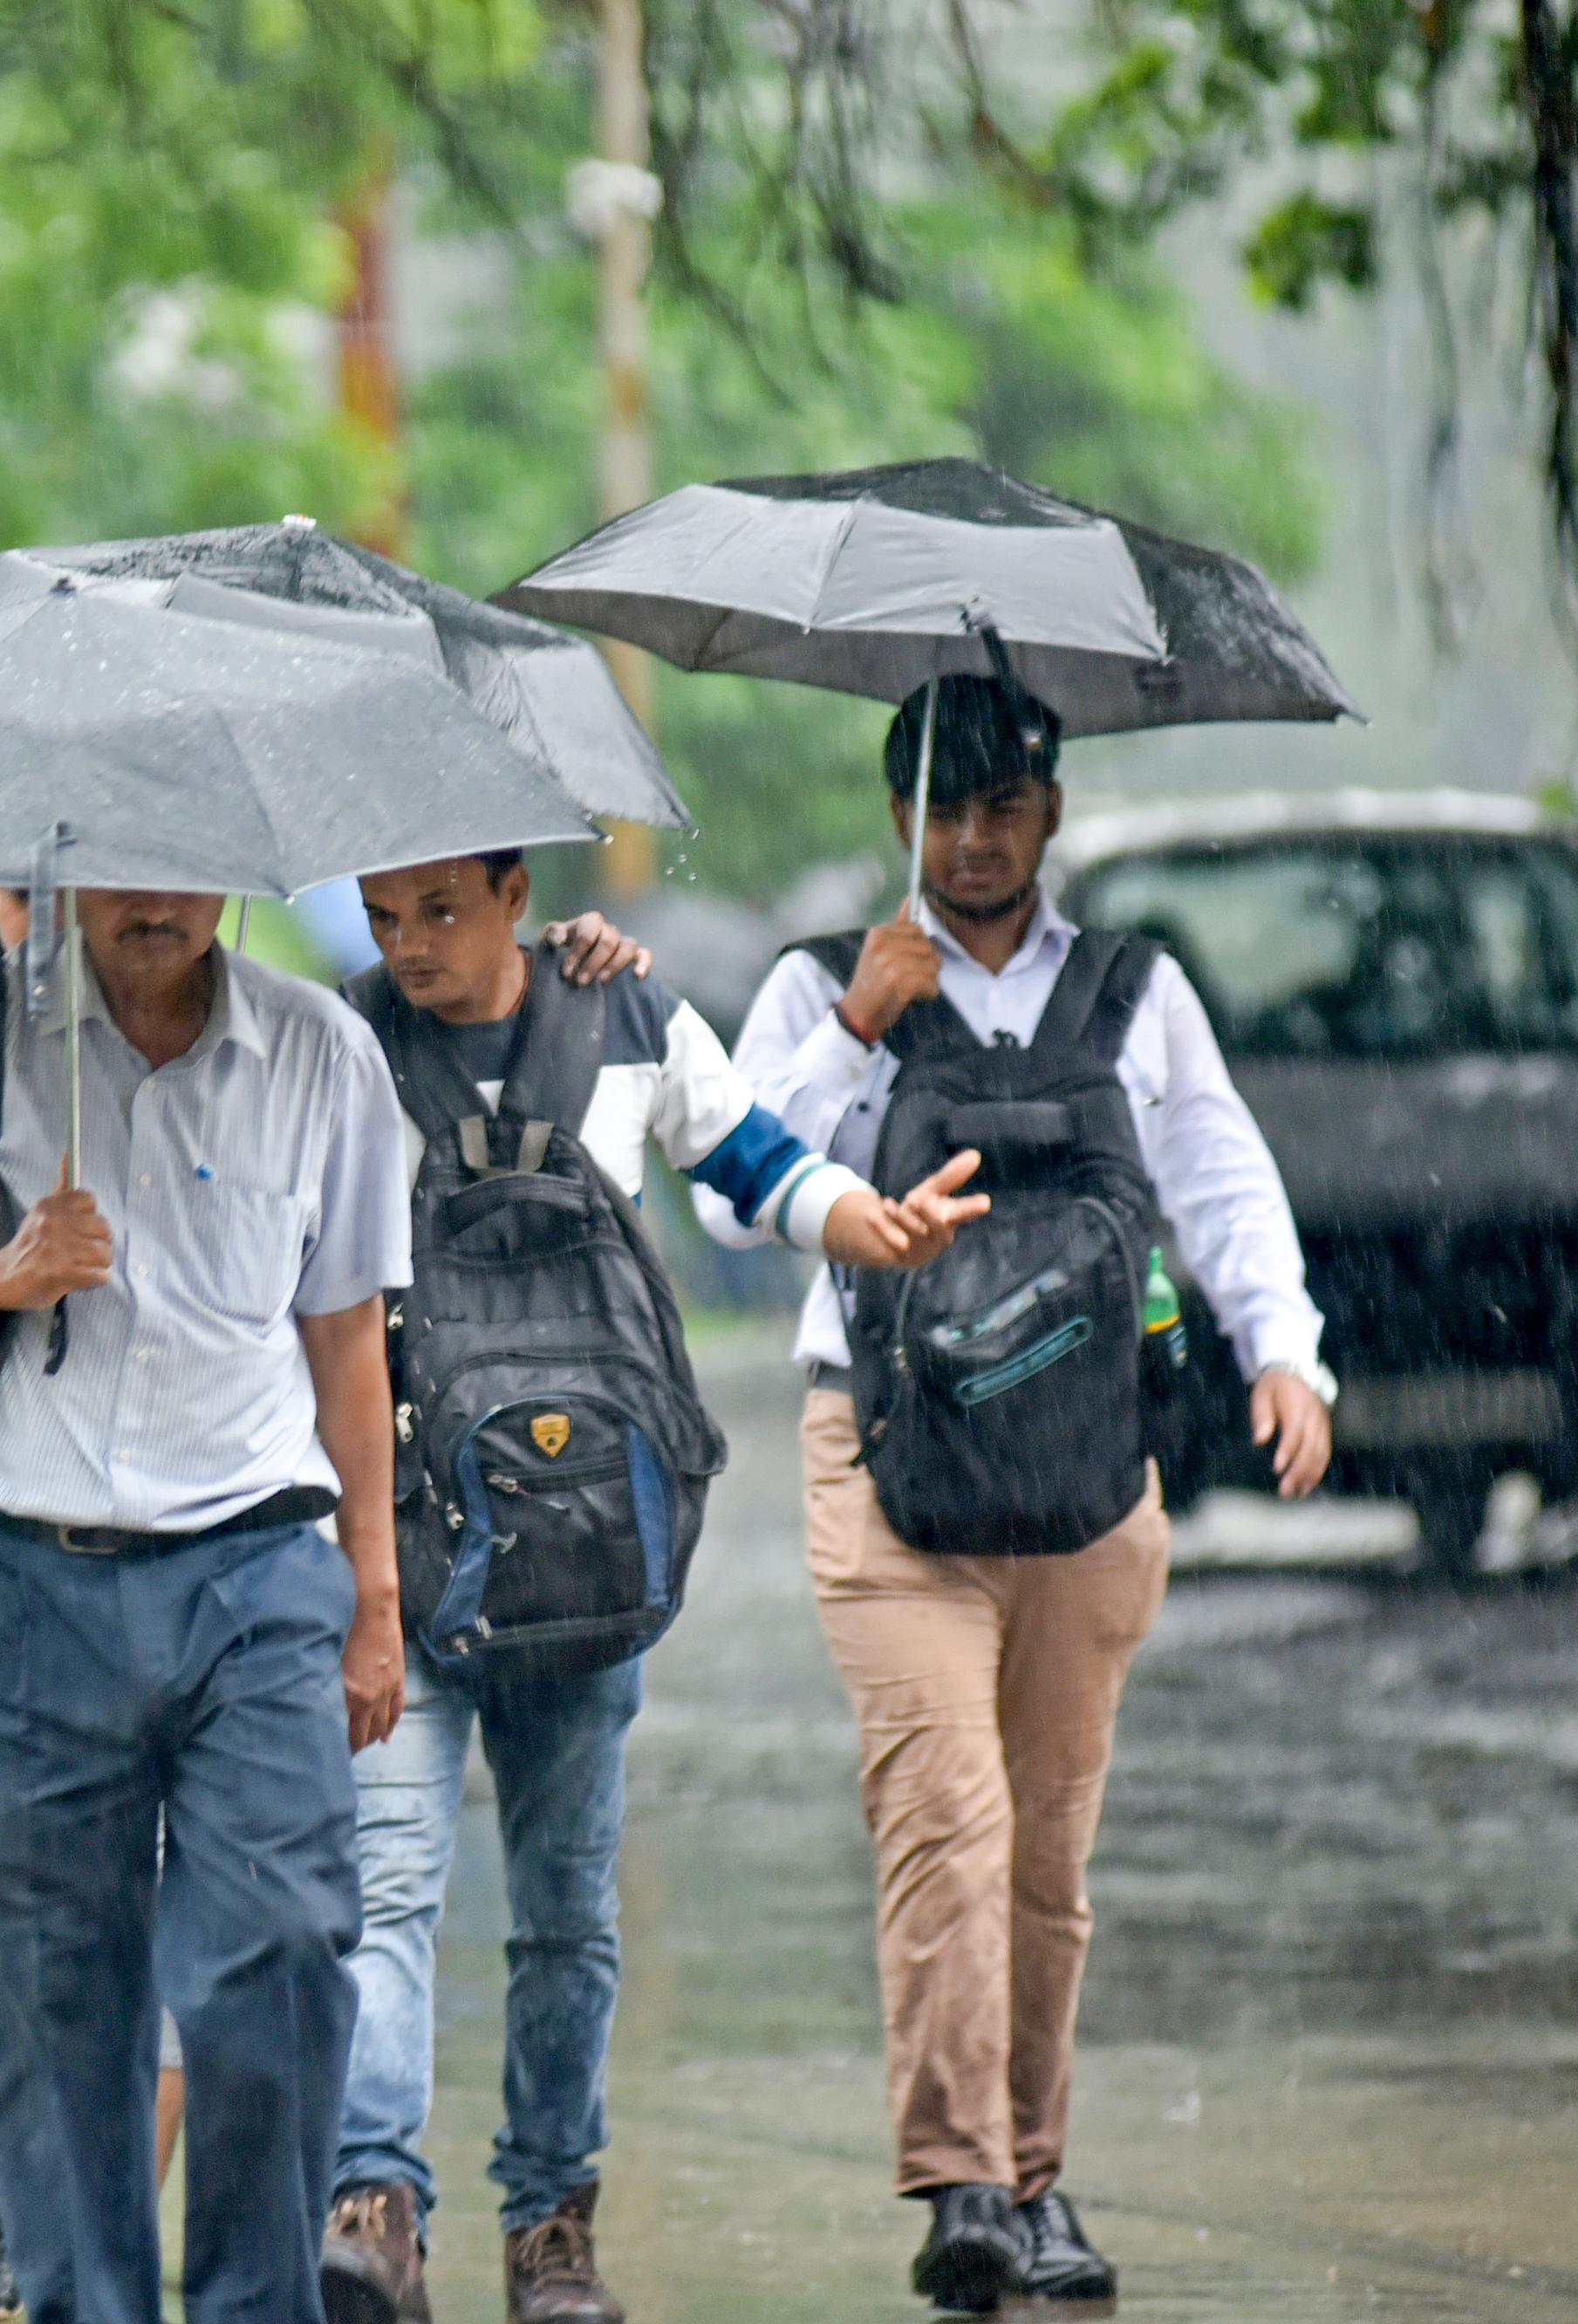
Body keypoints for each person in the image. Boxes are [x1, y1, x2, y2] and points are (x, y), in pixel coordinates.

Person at [718, 678, 1334, 2315]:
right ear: (900, 816)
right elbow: (724, 1196)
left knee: (1048, 1858)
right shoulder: (821, 984)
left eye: (1002, 804)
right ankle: (963, 2182)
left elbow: (1218, 1170)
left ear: (1051, 811)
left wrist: (1284, 1349)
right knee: (949, 1822)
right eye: (942, 807)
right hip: (884, 1461)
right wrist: (855, 1028)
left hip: (1085, 1477)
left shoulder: (1137, 991)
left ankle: (1034, 2176)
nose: (972, 836)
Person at [323, 852, 987, 2324]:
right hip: (404, 1543)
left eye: (441, 909)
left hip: (587, 1550)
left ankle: (553, 2225)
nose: (410, 946)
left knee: (568, 1913)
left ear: (514, 890)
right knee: (381, 1893)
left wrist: (865, 1220)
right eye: (384, 916)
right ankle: (374, 2204)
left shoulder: (625, 1014)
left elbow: (752, 1158)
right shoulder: (343, 1042)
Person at [0, 885, 409, 2324]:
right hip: (17, 1581)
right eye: (122, 861)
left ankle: (261, 2301)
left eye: (186, 860)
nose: (155, 896)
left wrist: (374, 1600)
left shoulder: (322, 1054)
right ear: (66, 866)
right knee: (51, 1996)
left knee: (284, 1945)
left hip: (254, 1568)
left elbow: (350, 1336)